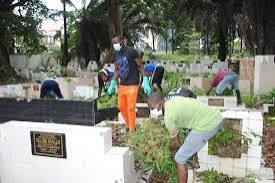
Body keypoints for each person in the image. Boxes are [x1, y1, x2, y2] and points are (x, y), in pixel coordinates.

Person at [147, 88, 223, 183]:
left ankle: (191, 160)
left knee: (180, 157)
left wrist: (166, 148)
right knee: (187, 145)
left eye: (151, 108)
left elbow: (177, 143)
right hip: (215, 117)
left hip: (207, 125)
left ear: (159, 104)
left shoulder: (168, 117)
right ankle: (192, 159)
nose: (151, 110)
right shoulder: (171, 100)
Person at [107, 35, 151, 132]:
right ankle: (129, 125)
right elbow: (117, 70)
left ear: (122, 42)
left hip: (133, 84)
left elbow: (140, 66)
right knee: (121, 107)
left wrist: (145, 80)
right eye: (113, 44)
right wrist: (112, 83)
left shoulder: (131, 52)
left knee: (131, 107)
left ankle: (132, 129)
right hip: (122, 85)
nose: (115, 45)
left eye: (116, 43)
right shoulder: (115, 54)